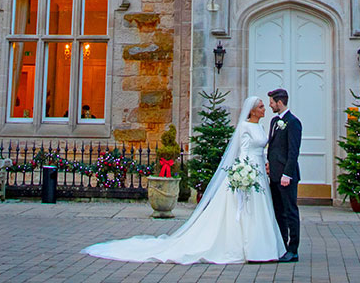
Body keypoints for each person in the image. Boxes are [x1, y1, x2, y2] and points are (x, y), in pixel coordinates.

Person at [82, 95, 285, 264]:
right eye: (260, 106)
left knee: (260, 209)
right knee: (243, 209)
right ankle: (247, 247)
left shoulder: (261, 127)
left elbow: (261, 149)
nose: (264, 108)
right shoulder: (244, 127)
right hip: (247, 171)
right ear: (252, 110)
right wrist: (243, 173)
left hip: (259, 172)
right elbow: (241, 152)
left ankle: (261, 247)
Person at [266, 88, 302, 263]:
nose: (270, 105)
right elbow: (273, 148)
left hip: (286, 176)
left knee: (290, 212)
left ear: (279, 102)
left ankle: (293, 249)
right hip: (274, 175)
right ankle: (282, 245)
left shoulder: (293, 122)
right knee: (278, 212)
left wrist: (287, 174)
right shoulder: (274, 121)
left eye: (272, 102)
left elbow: (293, 151)